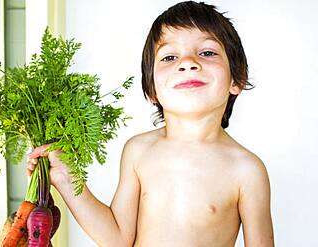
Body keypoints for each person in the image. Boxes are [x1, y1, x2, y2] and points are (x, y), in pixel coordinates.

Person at [27, 1, 274, 246]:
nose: (187, 62)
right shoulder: (139, 151)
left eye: (207, 52)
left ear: (237, 80)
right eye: (169, 57)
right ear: (152, 90)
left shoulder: (247, 170)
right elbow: (117, 239)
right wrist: (65, 178)